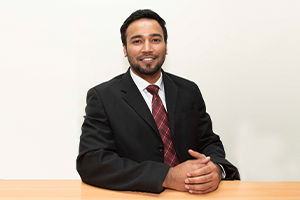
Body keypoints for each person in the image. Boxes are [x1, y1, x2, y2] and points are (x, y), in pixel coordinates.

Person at [76, 9, 240, 194]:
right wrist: (166, 176)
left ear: (166, 46)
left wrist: (216, 168)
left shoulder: (189, 90)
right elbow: (91, 161)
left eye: (155, 40)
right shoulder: (103, 96)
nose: (147, 48)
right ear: (125, 49)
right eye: (137, 41)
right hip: (140, 195)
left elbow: (208, 141)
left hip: (193, 194)